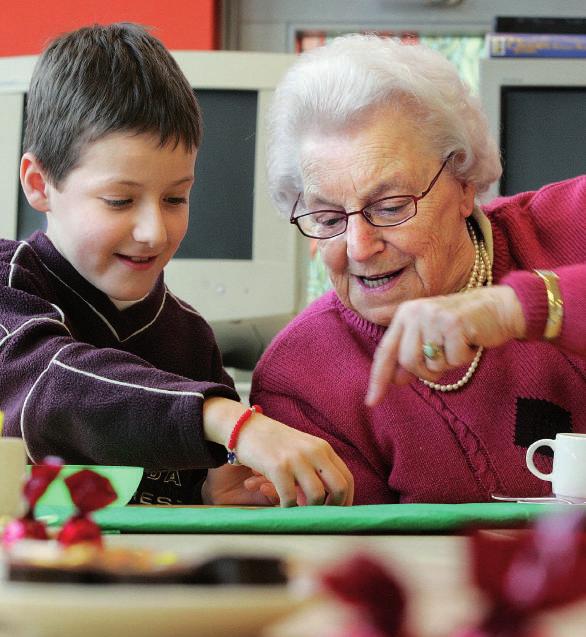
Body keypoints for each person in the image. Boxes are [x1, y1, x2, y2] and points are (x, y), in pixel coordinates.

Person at [0, 23, 353, 508]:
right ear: (39, 184)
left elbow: (205, 487)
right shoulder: (11, 282)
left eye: (175, 198)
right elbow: (51, 383)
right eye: (119, 200)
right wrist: (230, 421)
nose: (155, 232)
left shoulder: (190, 339)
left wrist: (216, 490)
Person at [250, 34, 586, 504]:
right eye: (328, 219)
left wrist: (518, 307)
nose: (359, 248)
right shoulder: (303, 377)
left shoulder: (572, 223)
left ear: (464, 184)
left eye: (390, 207)